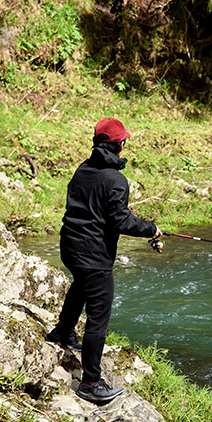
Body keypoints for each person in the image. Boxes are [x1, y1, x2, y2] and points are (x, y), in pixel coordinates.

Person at [46, 117, 162, 405]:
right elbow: (120, 220)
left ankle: (62, 331)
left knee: (81, 285)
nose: (125, 144)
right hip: (94, 256)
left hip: (70, 247)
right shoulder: (116, 180)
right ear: (118, 145)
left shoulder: (83, 169)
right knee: (98, 318)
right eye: (124, 141)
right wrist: (151, 229)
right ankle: (91, 383)